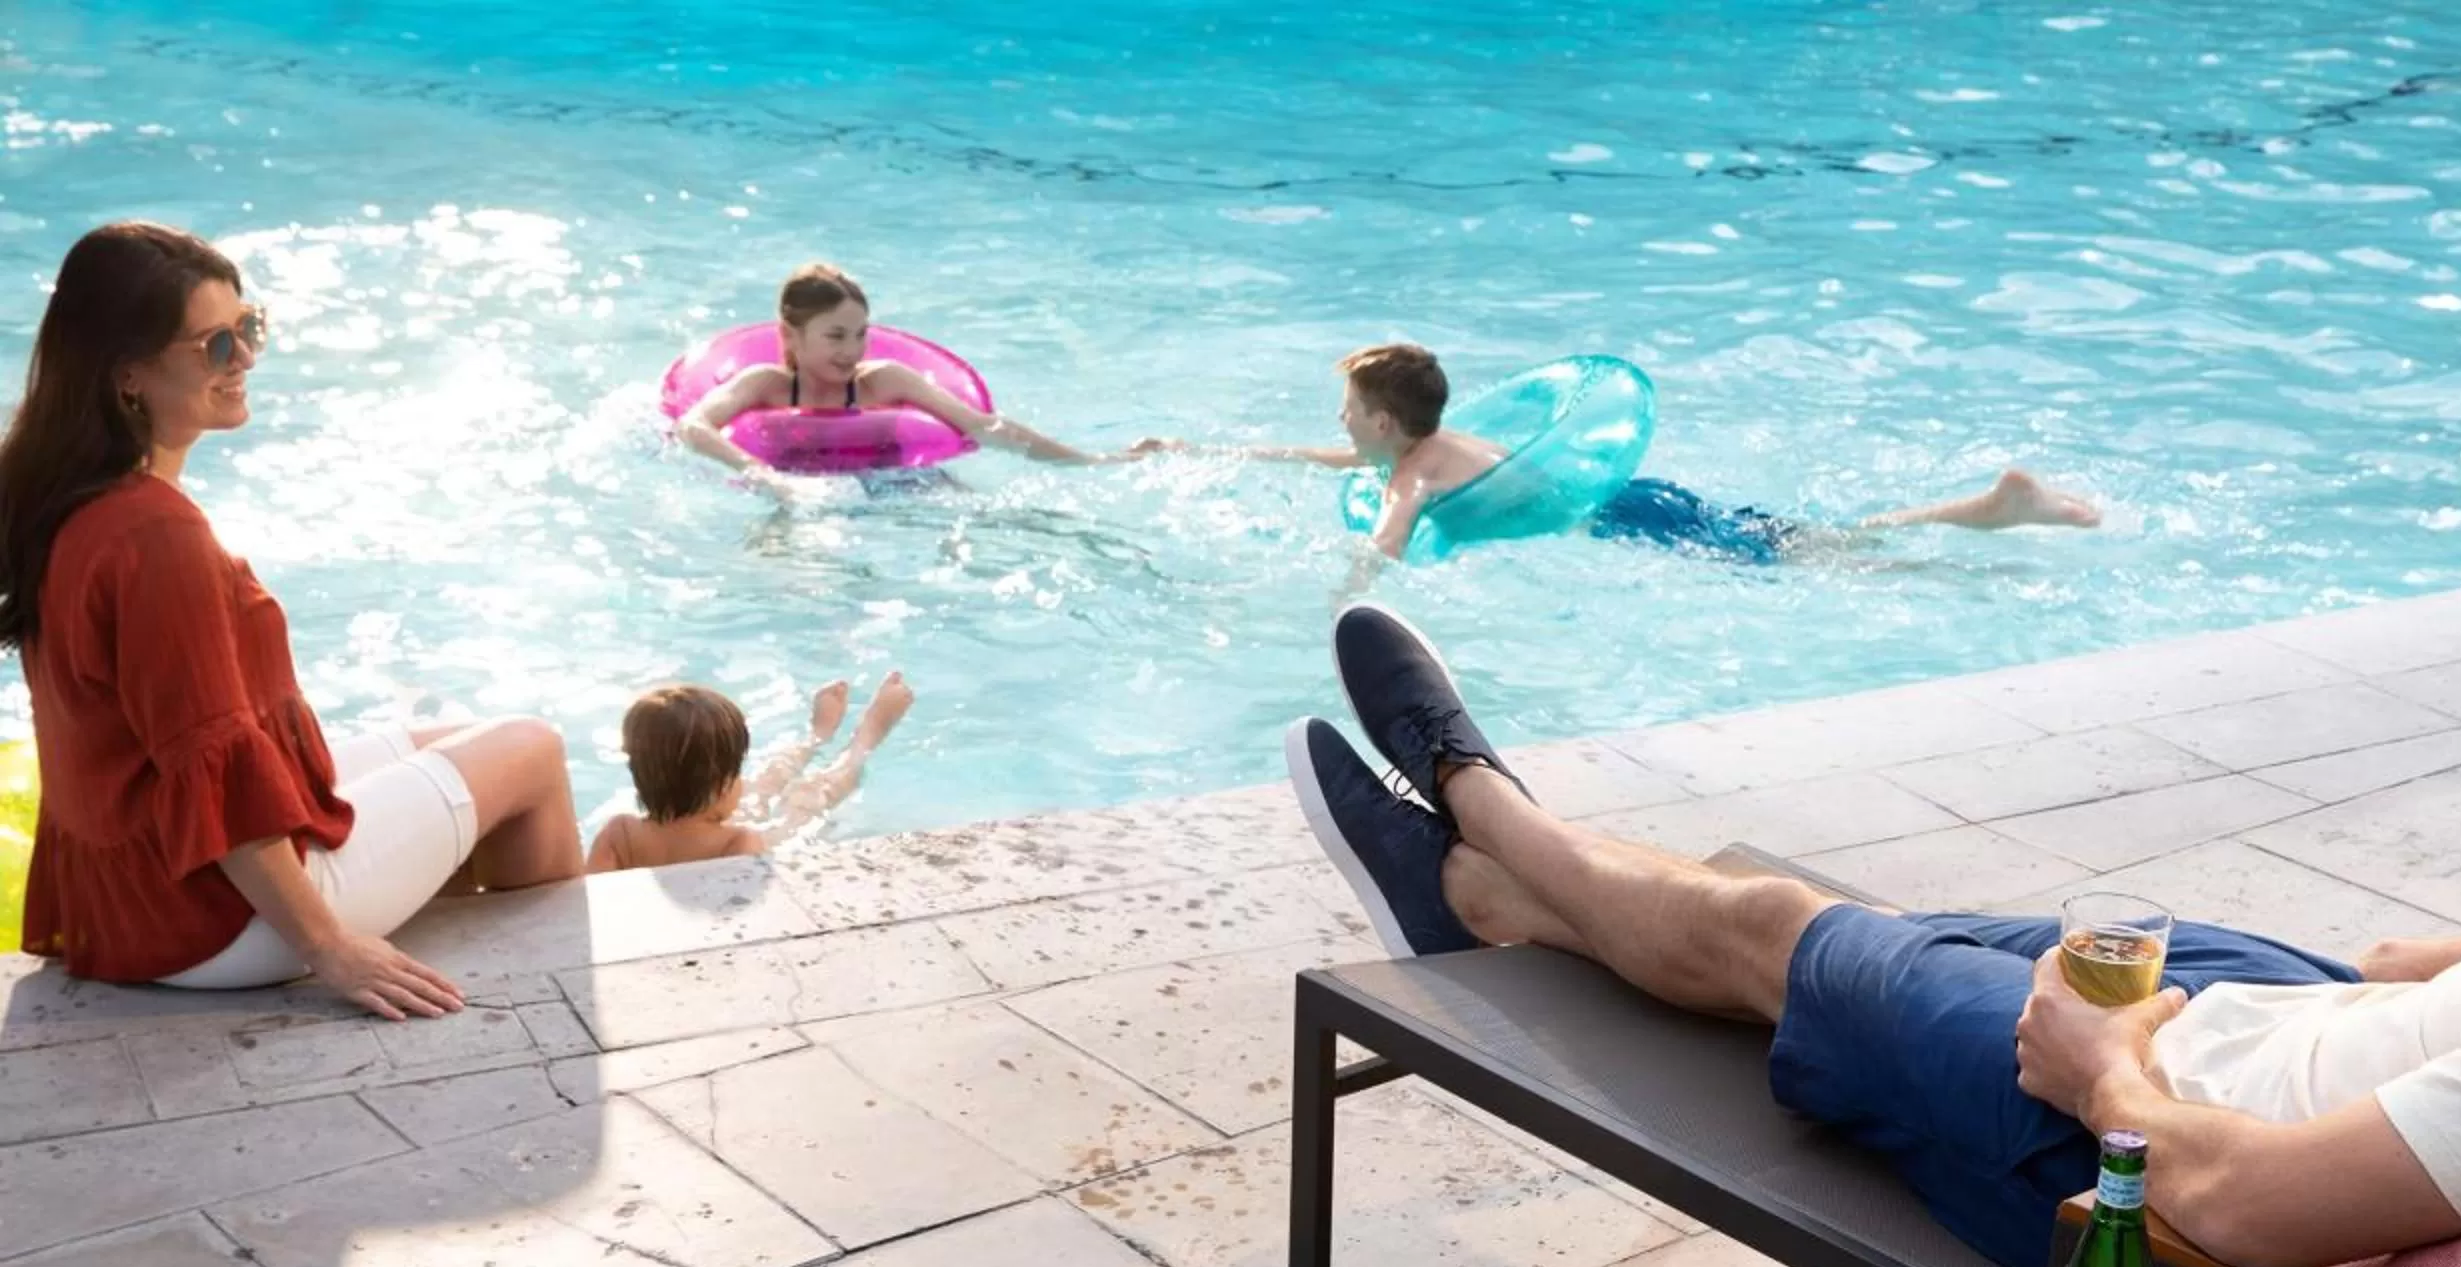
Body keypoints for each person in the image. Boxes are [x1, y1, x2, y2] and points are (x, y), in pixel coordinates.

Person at [1281, 500, 2461, 1267]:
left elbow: (2243, 1218)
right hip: (2329, 1016)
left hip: (2148, 1157)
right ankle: (1489, 906)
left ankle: (1475, 802)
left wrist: (2100, 1075)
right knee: (1885, 932)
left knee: (1773, 931)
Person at [1, 222, 585, 1021]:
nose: (245, 361)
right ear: (128, 375)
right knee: (535, 749)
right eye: (214, 345)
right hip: (207, 920)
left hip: (129, 890)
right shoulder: (154, 537)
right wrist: (330, 948)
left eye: (250, 328)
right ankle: (552, 1019)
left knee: (457, 734)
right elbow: (209, 762)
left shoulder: (69, 499)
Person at [1137, 342, 2100, 572]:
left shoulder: (1415, 472)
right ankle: (1990, 505)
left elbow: (1387, 540)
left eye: (1349, 410)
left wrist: (1341, 598)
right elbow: (1327, 463)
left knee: (1823, 563)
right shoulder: (1448, 439)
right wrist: (1214, 449)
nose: (1340, 422)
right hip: (1643, 492)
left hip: (1627, 519)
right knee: (1806, 536)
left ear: (1385, 424)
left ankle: (1973, 539)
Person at [675, 263, 1115, 493]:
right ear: (791, 336)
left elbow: (983, 426)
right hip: (799, 490)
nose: (851, 350)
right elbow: (693, 426)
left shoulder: (883, 381)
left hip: (896, 486)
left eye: (861, 334)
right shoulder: (764, 386)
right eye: (835, 336)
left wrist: (1089, 461)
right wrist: (762, 475)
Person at [587, 671, 915, 872]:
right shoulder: (741, 843)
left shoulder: (620, 835)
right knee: (809, 798)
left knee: (761, 790)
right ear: (724, 785)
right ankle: (866, 736)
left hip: (711, 818)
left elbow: (591, 901)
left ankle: (817, 736)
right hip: (759, 837)